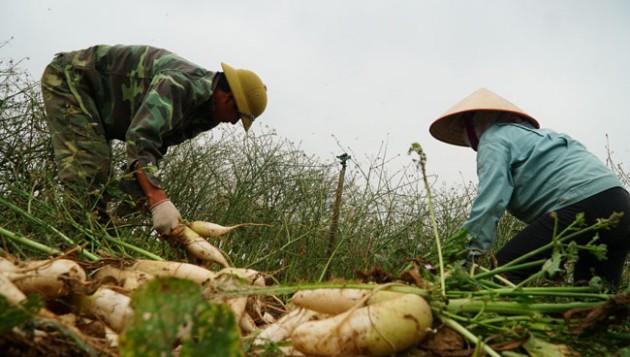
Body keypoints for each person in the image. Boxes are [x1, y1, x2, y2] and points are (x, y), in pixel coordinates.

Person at [40, 44, 267, 236]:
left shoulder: (206, 115)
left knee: (104, 197)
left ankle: (96, 243)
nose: (235, 123)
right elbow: (141, 137)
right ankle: (69, 251)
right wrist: (157, 198)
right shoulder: (182, 85)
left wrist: (136, 197)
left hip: (101, 110)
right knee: (89, 172)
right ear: (228, 98)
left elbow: (156, 147)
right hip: (71, 80)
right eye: (239, 116)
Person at [428, 87, 630, 288]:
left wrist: (470, 255)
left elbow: (491, 200)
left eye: (463, 128)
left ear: (474, 122)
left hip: (584, 204)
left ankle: (522, 318)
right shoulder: (539, 137)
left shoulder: (493, 138)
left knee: (504, 270)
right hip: (620, 203)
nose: (464, 135)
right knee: (595, 296)